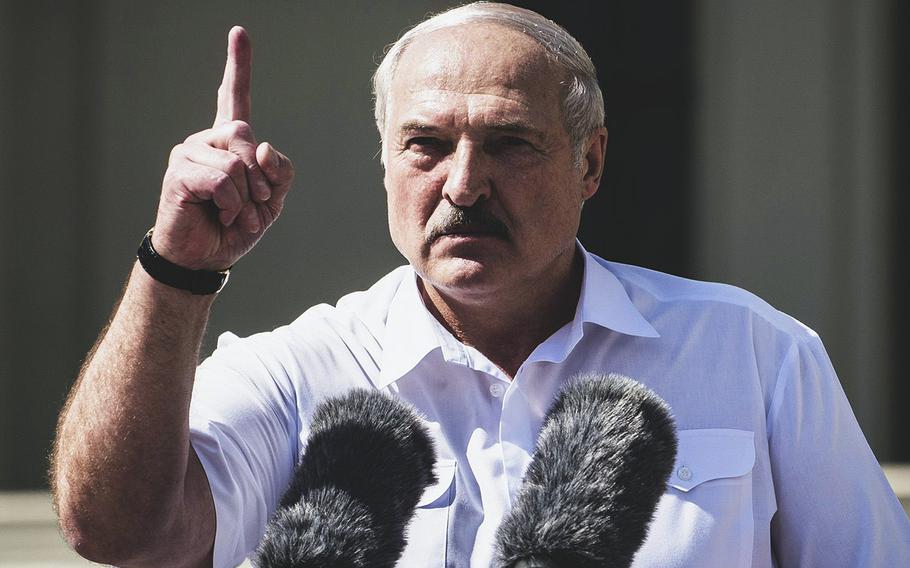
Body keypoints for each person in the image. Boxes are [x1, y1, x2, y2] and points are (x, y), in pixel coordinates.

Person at [51, 3, 909, 567]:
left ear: (591, 162)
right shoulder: (298, 371)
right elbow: (118, 534)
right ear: (385, 161)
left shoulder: (755, 354)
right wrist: (177, 270)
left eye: (509, 144)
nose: (463, 185)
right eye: (426, 144)